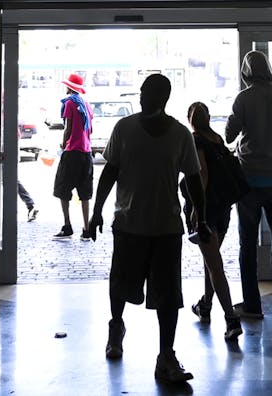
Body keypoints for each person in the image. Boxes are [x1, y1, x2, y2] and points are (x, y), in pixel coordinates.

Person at [84, 74, 206, 383]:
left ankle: (166, 354)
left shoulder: (180, 135)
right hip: (129, 224)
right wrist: (96, 211)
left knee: (169, 295)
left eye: (145, 93)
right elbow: (110, 171)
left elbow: (193, 179)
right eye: (141, 93)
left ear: (160, 97)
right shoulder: (124, 129)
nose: (140, 97)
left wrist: (200, 217)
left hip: (166, 226)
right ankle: (116, 325)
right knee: (120, 283)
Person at [226, 50, 272, 318]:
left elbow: (229, 135)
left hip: (249, 180)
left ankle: (252, 305)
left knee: (248, 245)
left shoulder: (244, 98)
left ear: (246, 72)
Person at [183, 101, 243, 342]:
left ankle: (231, 319)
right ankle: (206, 305)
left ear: (190, 120)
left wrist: (198, 209)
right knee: (212, 259)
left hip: (207, 208)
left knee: (215, 265)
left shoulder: (196, 140)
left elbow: (202, 172)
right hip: (224, 206)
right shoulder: (217, 138)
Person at [52, 72, 93, 238]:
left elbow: (68, 128)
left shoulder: (69, 103)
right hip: (86, 153)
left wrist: (63, 142)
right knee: (85, 193)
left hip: (72, 153)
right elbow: (90, 129)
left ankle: (67, 225)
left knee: (62, 189)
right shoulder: (86, 104)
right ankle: (86, 228)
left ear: (69, 87)